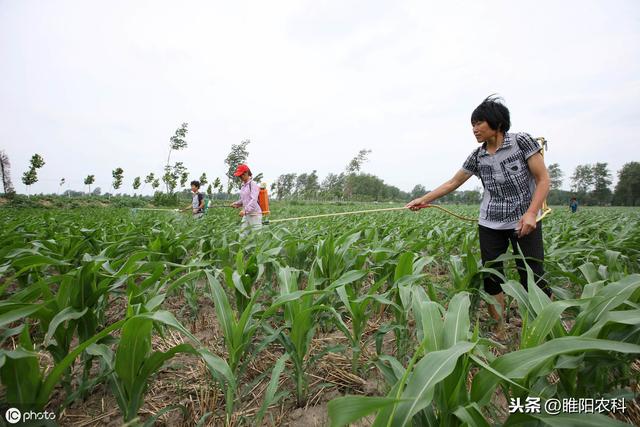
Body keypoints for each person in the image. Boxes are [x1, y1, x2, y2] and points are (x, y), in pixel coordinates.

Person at [406, 95, 551, 337]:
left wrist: (530, 213)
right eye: (472, 124)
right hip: (490, 222)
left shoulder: (522, 143)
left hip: (525, 220)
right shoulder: (477, 156)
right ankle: (500, 329)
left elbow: (543, 179)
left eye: (479, 123)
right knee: (492, 277)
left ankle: (544, 327)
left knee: (533, 275)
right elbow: (454, 182)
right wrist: (424, 199)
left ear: (497, 123)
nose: (474, 129)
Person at [230, 164, 262, 236]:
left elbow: (253, 200)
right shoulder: (243, 186)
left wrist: (245, 210)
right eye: (239, 176)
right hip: (246, 214)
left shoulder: (253, 185)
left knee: (257, 237)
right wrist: (236, 204)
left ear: (247, 173)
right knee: (242, 235)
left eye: (241, 175)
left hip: (254, 214)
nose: (240, 177)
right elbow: (243, 200)